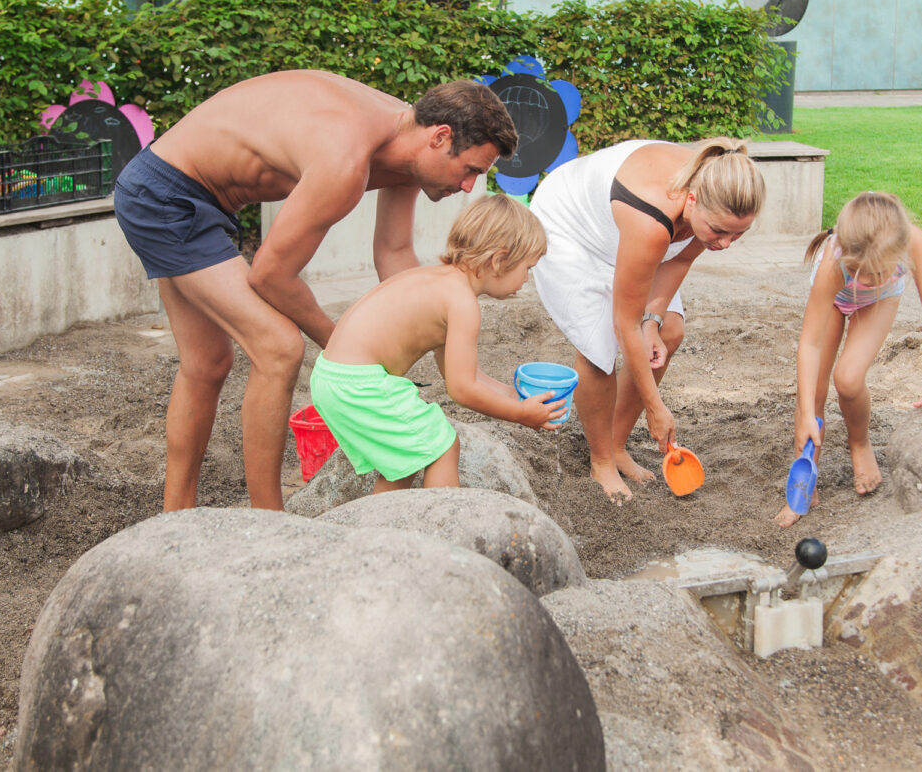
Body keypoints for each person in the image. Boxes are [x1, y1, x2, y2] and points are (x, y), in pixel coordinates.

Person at [113, 71, 518, 511]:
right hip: (164, 194)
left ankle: (176, 515)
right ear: (441, 138)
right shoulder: (346, 157)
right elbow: (269, 274)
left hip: (192, 193)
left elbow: (396, 253)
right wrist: (344, 345)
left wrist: (438, 333)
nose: (468, 187)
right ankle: (269, 520)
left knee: (207, 362)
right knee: (278, 347)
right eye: (471, 171)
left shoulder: (409, 144)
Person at [530, 138, 766, 503]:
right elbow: (624, 324)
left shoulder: (715, 188)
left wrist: (653, 321)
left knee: (670, 330)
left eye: (739, 234)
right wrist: (656, 408)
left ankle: (617, 443)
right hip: (572, 228)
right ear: (691, 200)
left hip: (626, 229)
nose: (726, 244)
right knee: (599, 349)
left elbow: (679, 261)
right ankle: (602, 461)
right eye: (720, 232)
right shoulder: (652, 220)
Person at [309, 194, 566, 489]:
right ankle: (440, 529)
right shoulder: (462, 304)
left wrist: (512, 395)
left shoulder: (443, 284)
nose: (526, 279)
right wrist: (520, 414)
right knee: (443, 446)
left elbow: (466, 375)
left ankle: (381, 529)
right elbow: (461, 389)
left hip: (334, 377)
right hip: (358, 385)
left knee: (406, 460)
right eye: (528, 268)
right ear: (499, 260)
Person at [775, 191, 922, 528]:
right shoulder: (833, 262)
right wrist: (807, 412)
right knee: (815, 392)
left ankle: (860, 443)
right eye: (857, 270)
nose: (865, 280)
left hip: (878, 303)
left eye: (876, 273)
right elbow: (810, 344)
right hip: (836, 300)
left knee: (848, 379)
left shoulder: (914, 243)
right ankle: (804, 486)